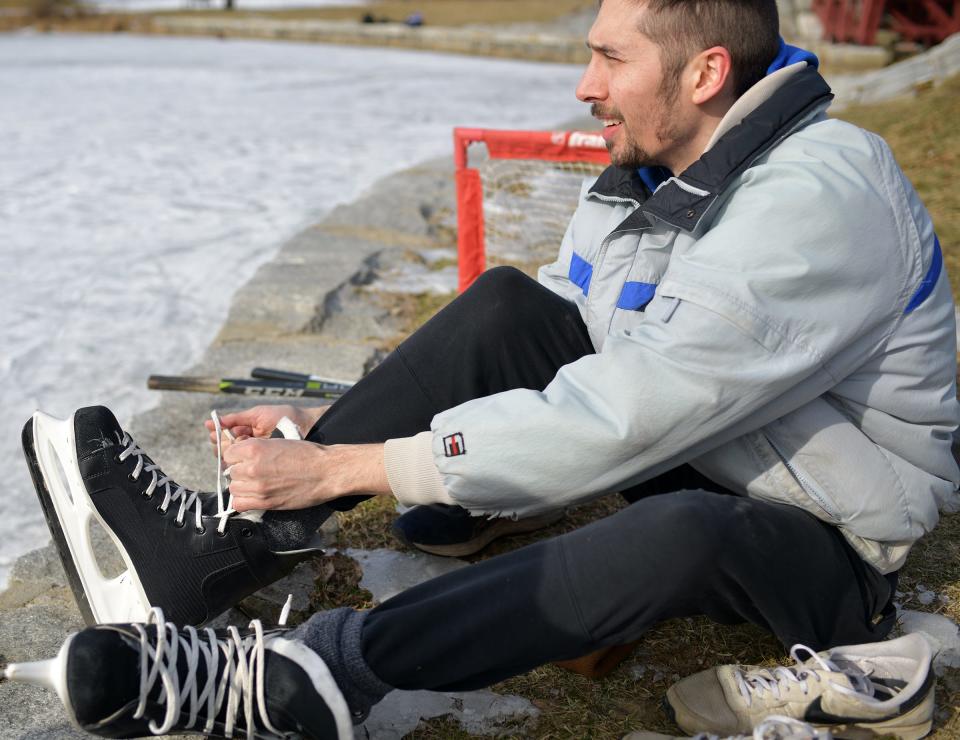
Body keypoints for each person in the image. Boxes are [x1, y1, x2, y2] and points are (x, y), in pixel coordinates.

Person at [8, 0, 957, 737]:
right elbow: (565, 332)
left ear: (707, 72)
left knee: (683, 533)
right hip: (725, 439)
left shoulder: (817, 201)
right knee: (510, 304)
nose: (585, 82)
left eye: (610, 58)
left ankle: (318, 676)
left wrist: (362, 465)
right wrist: (338, 429)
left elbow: (634, 412)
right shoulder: (663, 166)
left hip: (828, 531)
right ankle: (228, 550)